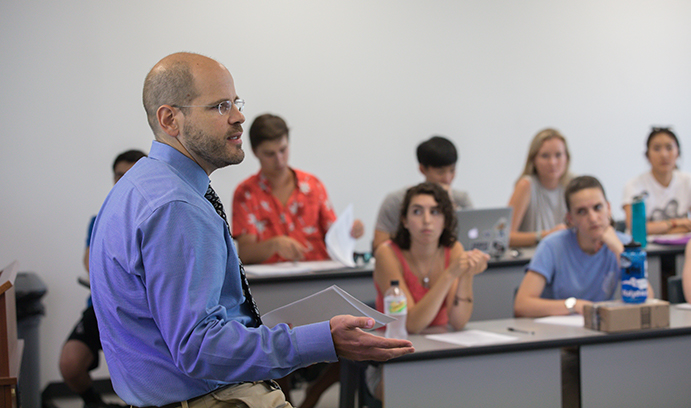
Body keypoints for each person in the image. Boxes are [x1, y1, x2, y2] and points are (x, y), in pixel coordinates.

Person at [88, 52, 413, 408]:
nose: (239, 117)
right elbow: (199, 349)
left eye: (236, 103)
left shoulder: (140, 185)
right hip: (212, 396)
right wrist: (324, 341)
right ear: (170, 119)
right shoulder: (177, 207)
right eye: (220, 106)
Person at [369, 182, 489, 399]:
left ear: (445, 220)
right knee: (420, 391)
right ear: (404, 220)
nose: (427, 220)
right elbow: (412, 324)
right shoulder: (387, 254)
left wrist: (467, 274)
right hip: (393, 362)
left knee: (478, 386)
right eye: (417, 212)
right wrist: (450, 274)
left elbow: (459, 321)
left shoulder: (453, 249)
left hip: (441, 352)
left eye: (435, 212)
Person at [59, 149, 146, 408]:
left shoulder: (157, 216)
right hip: (103, 306)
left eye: (130, 176)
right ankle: (95, 403)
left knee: (139, 374)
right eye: (119, 176)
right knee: (70, 363)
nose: (123, 183)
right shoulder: (101, 219)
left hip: (143, 313)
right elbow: (91, 264)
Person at [232, 113, 364, 264]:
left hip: (318, 277)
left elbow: (334, 237)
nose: (279, 159)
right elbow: (245, 253)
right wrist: (274, 244)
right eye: (270, 154)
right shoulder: (245, 193)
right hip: (271, 284)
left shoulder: (313, 185)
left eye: (283, 150)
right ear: (255, 152)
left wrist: (351, 231)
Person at [514, 176, 653, 318]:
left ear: (609, 208)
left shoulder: (623, 243)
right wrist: (575, 305)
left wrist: (619, 250)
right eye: (581, 211)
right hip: (559, 330)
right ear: (570, 219)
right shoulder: (552, 246)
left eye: (598, 208)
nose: (593, 218)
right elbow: (522, 305)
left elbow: (647, 298)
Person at [372, 136, 473, 251]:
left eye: (452, 170)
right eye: (440, 172)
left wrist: (450, 206)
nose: (447, 179)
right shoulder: (396, 200)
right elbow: (379, 245)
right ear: (422, 169)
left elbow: (471, 240)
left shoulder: (461, 199)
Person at [508, 128, 573, 248]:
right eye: (545, 156)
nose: (552, 162)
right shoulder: (526, 185)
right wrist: (545, 235)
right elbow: (505, 236)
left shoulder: (573, 184)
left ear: (567, 158)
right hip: (532, 258)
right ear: (533, 160)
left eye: (558, 155)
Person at [622, 127, 691, 235]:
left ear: (678, 152)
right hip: (647, 249)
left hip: (682, 248)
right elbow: (636, 228)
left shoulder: (687, 181)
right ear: (647, 155)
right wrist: (676, 223)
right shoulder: (634, 185)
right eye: (657, 148)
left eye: (669, 148)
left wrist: (658, 229)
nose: (664, 155)